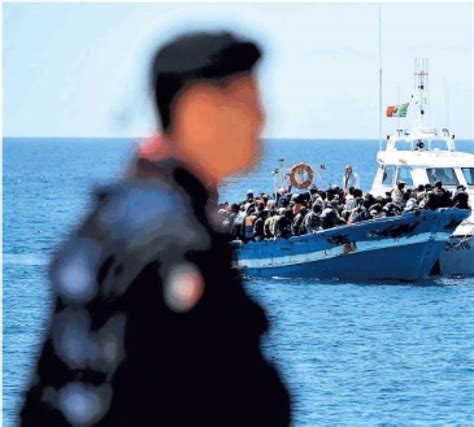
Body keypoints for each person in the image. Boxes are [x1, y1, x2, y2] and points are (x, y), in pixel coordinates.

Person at [20, 31, 291, 426]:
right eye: (250, 102)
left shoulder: (119, 213)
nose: (264, 118)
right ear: (200, 111)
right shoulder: (173, 243)